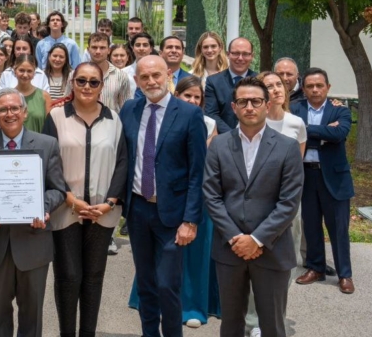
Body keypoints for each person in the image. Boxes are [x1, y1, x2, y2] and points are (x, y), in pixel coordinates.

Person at [204, 77, 304, 337]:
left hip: (272, 249)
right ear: (234, 107)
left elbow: (289, 202)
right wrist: (237, 238)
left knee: (272, 326)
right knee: (231, 325)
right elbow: (212, 196)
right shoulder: (219, 145)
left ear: (267, 105)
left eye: (256, 101)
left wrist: (257, 239)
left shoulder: (288, 147)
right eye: (243, 102)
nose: (249, 106)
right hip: (230, 249)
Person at [0, 88, 66, 337]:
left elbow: (58, 189)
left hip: (33, 240)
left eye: (14, 108)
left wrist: (42, 208)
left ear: (24, 111)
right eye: (3, 109)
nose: (9, 114)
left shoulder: (46, 144)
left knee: (32, 316)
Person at [119, 55, 207, 337]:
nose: (151, 82)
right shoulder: (130, 109)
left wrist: (191, 220)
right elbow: (124, 158)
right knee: (145, 282)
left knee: (168, 284)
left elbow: (197, 172)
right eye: (144, 77)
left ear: (169, 74)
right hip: (138, 211)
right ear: (136, 81)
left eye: (156, 75)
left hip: (172, 214)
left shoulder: (189, 114)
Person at [43, 64, 127, 337]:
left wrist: (110, 202)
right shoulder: (56, 116)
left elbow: (122, 163)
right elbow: (49, 163)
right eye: (81, 81)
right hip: (66, 211)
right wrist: (70, 199)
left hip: (101, 213)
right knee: (68, 277)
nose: (87, 87)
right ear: (72, 83)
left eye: (94, 82)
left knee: (93, 279)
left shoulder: (114, 119)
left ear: (102, 86)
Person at [292, 68, 355, 294]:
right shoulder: (294, 109)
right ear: (304, 89)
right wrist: (324, 133)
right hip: (306, 175)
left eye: (320, 85)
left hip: (334, 178)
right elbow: (291, 139)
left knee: (339, 228)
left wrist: (307, 132)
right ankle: (315, 267)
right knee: (311, 225)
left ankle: (344, 274)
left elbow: (339, 135)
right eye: (310, 86)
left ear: (328, 87)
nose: (315, 90)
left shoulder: (340, 110)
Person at [204, 37, 257, 134]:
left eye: (245, 54)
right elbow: (211, 114)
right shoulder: (213, 82)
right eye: (236, 53)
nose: (240, 58)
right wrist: (232, 135)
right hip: (224, 140)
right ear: (228, 54)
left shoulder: (260, 81)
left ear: (252, 56)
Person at [88, 32, 134, 113]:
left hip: (111, 124)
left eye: (102, 48)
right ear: (88, 49)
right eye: (94, 47)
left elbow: (126, 108)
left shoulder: (121, 76)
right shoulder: (76, 75)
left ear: (108, 50)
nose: (98, 51)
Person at [12, 54, 51, 134]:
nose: (25, 75)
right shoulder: (8, 96)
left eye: (29, 71)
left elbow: (49, 126)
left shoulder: (44, 96)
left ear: (34, 73)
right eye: (21, 70)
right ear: (15, 71)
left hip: (39, 144)